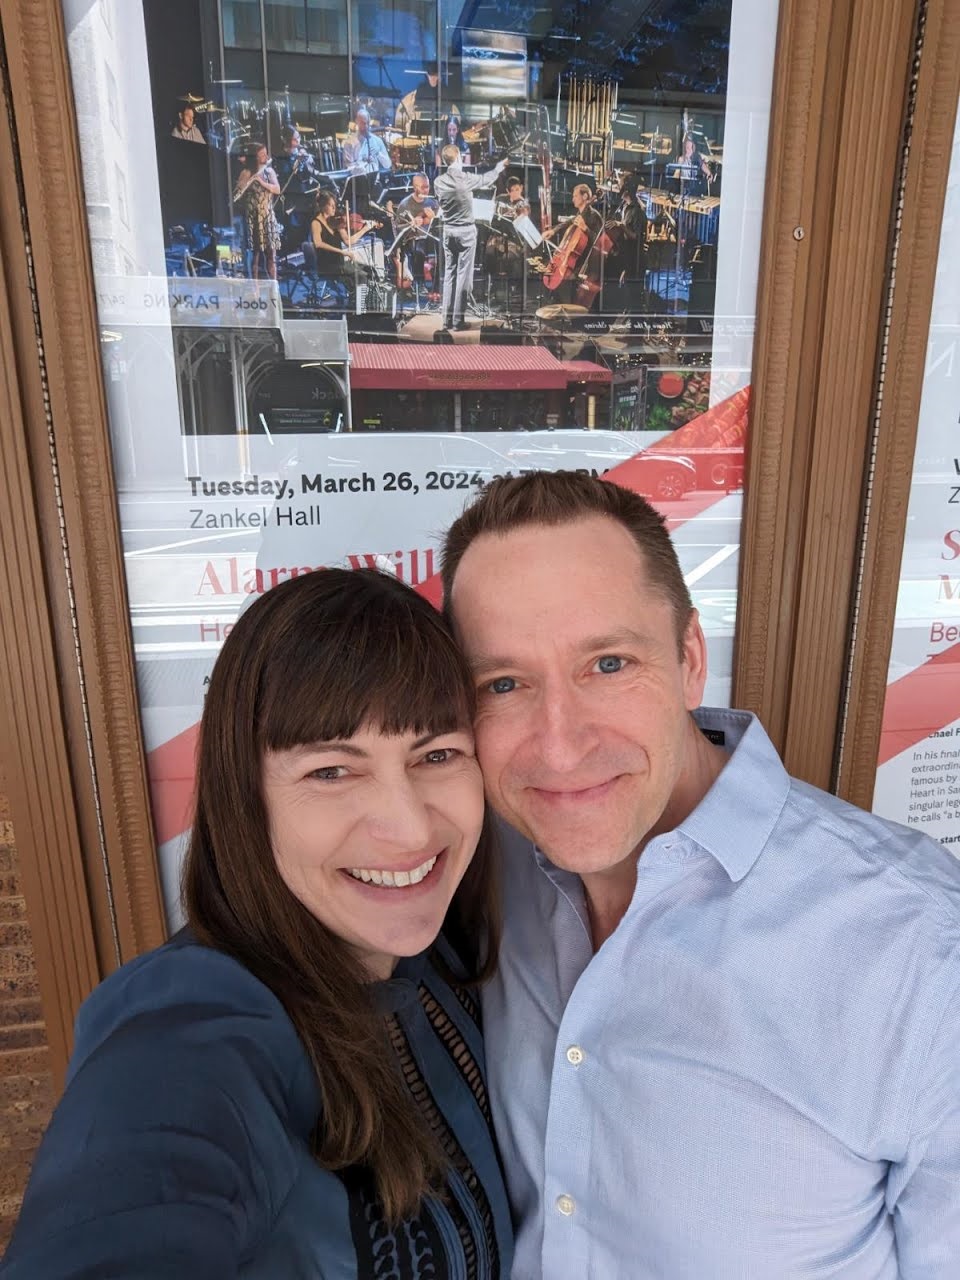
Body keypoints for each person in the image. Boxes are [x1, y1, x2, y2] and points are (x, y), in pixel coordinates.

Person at [440, 470, 960, 1279]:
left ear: (688, 660)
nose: (559, 744)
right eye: (504, 684)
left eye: (607, 664)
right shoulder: (469, 868)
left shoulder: (921, 951)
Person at [1, 568, 513, 1278]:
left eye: (437, 755)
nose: (408, 828)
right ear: (247, 799)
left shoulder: (455, 955)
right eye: (332, 772)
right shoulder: (196, 1020)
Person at [434, 143, 506, 332]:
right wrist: (498, 168)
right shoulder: (465, 179)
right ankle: (458, 322)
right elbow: (485, 179)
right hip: (465, 233)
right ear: (457, 157)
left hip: (448, 232)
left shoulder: (438, 182)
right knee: (463, 278)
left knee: (449, 275)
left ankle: (445, 321)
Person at [309, 190, 374, 302]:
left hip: (338, 262)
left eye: (335, 205)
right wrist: (342, 252)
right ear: (324, 206)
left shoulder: (334, 222)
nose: (335, 208)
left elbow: (349, 241)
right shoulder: (316, 223)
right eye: (332, 206)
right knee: (361, 275)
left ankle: (359, 300)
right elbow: (318, 243)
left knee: (368, 269)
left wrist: (365, 229)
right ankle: (358, 304)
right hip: (328, 265)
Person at [233, 143, 281, 281]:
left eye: (266, 153)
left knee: (271, 255)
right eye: (262, 155)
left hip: (267, 216)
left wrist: (261, 182)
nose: (266, 156)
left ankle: (274, 285)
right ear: (255, 157)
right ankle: (255, 290)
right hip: (253, 218)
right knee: (255, 256)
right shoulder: (246, 173)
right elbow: (237, 195)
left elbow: (277, 189)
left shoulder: (269, 172)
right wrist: (247, 182)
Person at [342, 107, 392, 177]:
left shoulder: (377, 141)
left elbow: (387, 165)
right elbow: (348, 168)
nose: (366, 126)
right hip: (359, 183)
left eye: (368, 123)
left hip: (375, 182)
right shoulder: (350, 143)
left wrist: (378, 154)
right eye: (363, 123)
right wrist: (363, 164)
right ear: (357, 122)